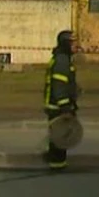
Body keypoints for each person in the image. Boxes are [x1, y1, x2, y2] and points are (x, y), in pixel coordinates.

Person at [42, 30, 78, 170]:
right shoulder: (62, 61)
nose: (76, 45)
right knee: (60, 135)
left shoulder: (62, 58)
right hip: (57, 106)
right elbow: (59, 86)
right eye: (73, 42)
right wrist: (65, 106)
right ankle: (57, 164)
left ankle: (56, 160)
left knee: (58, 135)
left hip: (56, 105)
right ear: (66, 44)